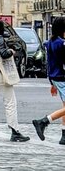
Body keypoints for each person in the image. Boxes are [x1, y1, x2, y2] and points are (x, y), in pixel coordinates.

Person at [32, 17, 65, 145]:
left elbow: (49, 63)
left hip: (55, 77)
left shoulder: (50, 42)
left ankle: (64, 134)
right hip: (62, 77)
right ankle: (44, 121)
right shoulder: (61, 43)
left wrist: (51, 82)